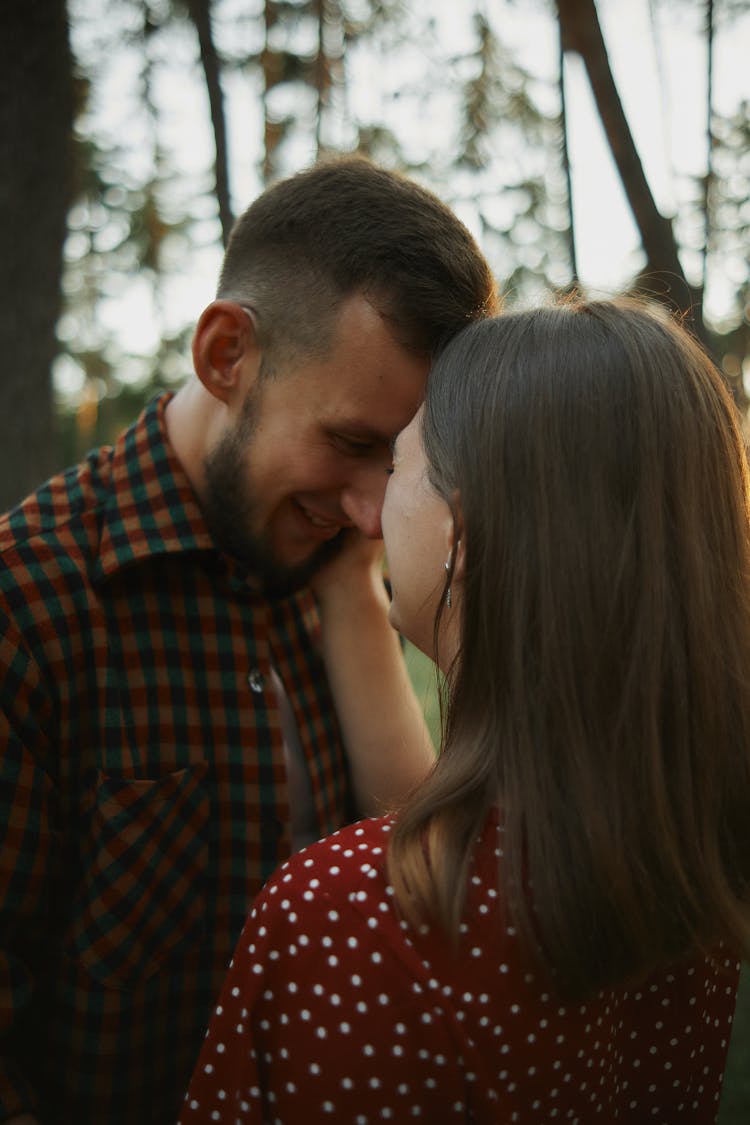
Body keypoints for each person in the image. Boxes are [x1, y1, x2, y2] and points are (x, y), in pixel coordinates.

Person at [0, 157, 498, 1125]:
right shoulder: (28, 603)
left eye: (397, 463)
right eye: (353, 443)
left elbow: (424, 898)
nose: (370, 510)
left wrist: (353, 590)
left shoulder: (327, 562)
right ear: (227, 355)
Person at [181, 298, 750, 1124]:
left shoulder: (348, 917)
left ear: (465, 528)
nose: (368, 515)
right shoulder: (691, 863)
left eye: (399, 464)